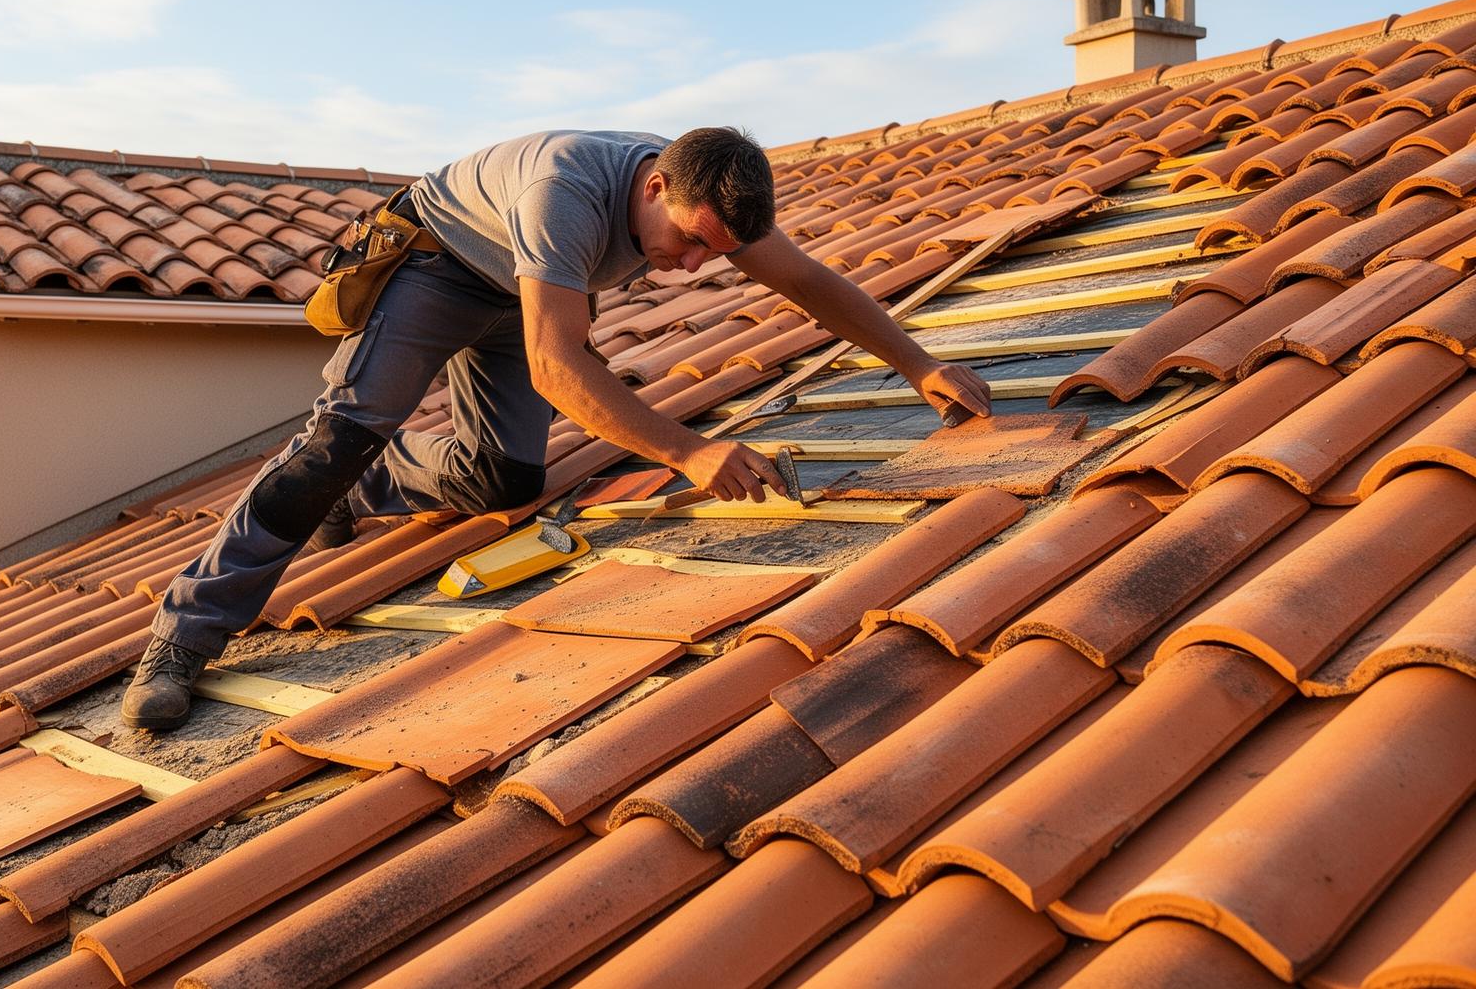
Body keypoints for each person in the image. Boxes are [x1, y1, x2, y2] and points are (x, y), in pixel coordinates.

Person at [122, 127, 993, 730]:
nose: (694, 267)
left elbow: (807, 282)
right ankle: (182, 637)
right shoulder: (565, 194)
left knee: (503, 478)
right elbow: (555, 366)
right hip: (438, 266)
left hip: (523, 291)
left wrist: (918, 364)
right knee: (339, 436)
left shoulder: (706, 198)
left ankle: (368, 489)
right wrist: (689, 451)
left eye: (716, 255)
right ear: (654, 188)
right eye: (689, 242)